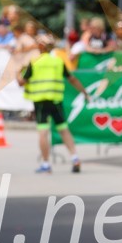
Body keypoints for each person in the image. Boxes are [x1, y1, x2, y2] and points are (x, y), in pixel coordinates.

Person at [17, 34, 89, 174]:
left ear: (40, 47)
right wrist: (84, 93)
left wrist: (17, 72)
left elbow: (21, 82)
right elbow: (72, 79)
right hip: (56, 100)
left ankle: (45, 164)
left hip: (41, 101)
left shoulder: (35, 62)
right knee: (63, 129)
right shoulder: (58, 62)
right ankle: (75, 158)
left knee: (43, 132)